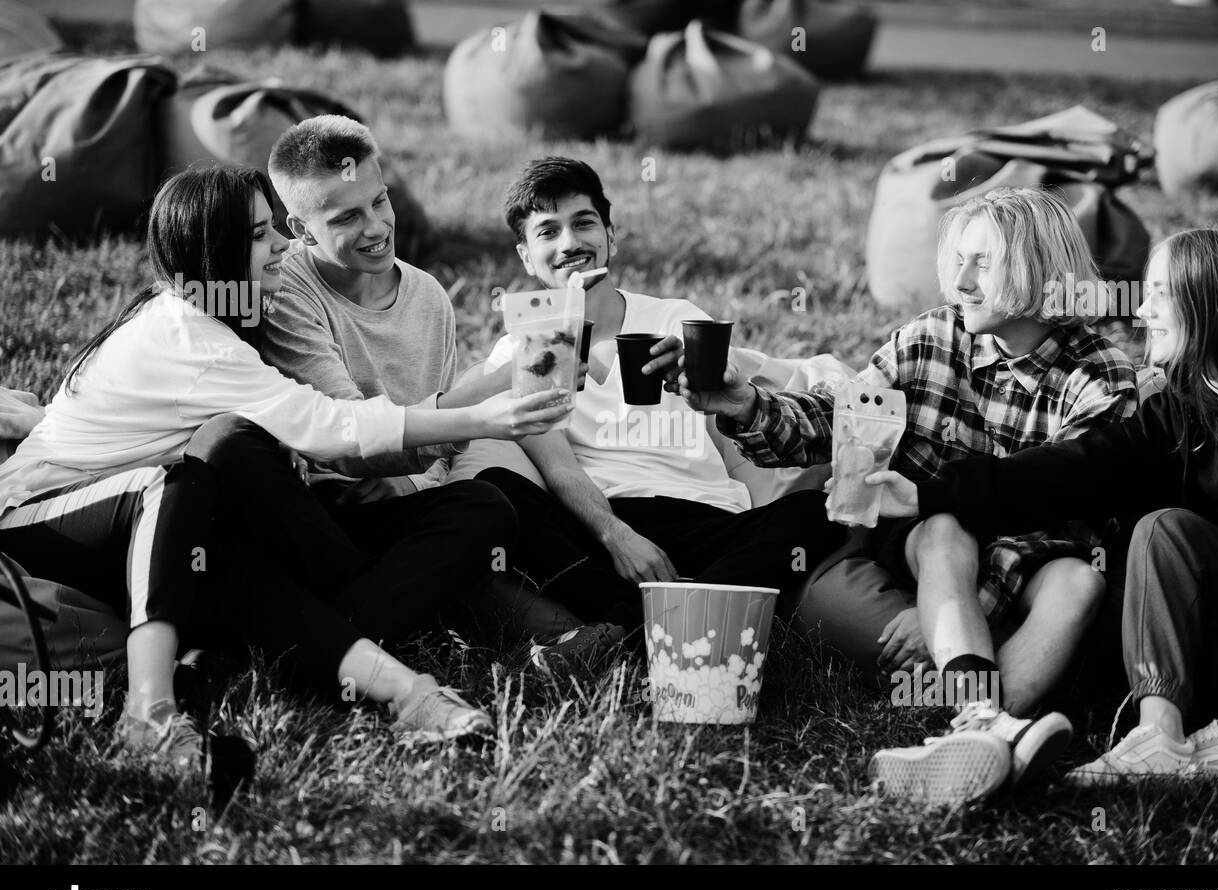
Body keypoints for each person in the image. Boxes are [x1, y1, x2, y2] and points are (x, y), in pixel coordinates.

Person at [0, 166, 570, 771]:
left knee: (479, 507)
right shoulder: (186, 333)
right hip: (45, 526)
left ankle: (279, 651)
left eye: (276, 228)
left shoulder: (229, 320)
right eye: (260, 234)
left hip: (177, 542)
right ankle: (154, 714)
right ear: (213, 253)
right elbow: (332, 428)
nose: (283, 247)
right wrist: (484, 418)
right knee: (197, 471)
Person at [681, 187, 1139, 805]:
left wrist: (967, 597)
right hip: (921, 544)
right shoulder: (928, 339)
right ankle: (985, 720)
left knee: (1079, 581)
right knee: (948, 526)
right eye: (957, 260)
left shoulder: (1101, 377)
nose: (962, 280)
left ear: (1040, 271)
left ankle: (977, 743)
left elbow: (1076, 516)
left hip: (1038, 555)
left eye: (985, 262)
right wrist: (748, 405)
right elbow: (839, 420)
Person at [865, 228, 1218, 785]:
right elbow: (1078, 467)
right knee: (1162, 529)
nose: (1140, 310)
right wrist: (928, 493)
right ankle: (1157, 733)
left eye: (1160, 293)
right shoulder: (1183, 403)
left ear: (1211, 297)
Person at [258, 116, 627, 662]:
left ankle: (588, 632)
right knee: (467, 521)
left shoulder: (427, 295)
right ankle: (325, 642)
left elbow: (440, 447)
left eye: (380, 201)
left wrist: (411, 488)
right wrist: (503, 378)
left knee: (487, 502)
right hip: (321, 506)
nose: (377, 226)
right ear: (302, 228)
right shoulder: (284, 289)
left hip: (401, 502)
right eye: (347, 217)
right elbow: (350, 439)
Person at [471, 157, 847, 671]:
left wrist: (697, 369)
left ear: (611, 236)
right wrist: (617, 536)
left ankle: (628, 631)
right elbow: (557, 467)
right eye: (547, 232)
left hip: (705, 517)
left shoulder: (674, 316)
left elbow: (727, 377)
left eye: (583, 223)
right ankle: (687, 624)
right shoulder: (522, 347)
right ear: (526, 256)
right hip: (601, 527)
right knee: (497, 492)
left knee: (815, 511)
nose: (569, 244)